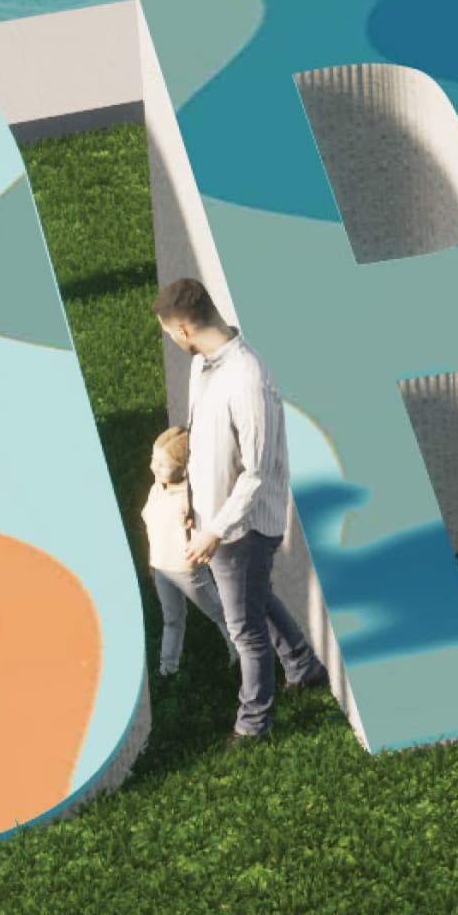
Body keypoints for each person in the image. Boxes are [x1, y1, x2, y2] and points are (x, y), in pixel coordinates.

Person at [150, 276, 330, 742]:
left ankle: (254, 725)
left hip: (243, 528)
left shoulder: (249, 381)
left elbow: (257, 472)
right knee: (255, 597)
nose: (172, 341)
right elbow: (201, 441)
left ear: (185, 329)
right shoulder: (203, 366)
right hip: (213, 519)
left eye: (170, 333)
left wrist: (216, 531)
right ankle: (304, 666)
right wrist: (191, 503)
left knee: (245, 629)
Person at [139, 426, 226, 679]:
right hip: (162, 569)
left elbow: (210, 526)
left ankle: (242, 654)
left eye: (163, 465)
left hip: (187, 570)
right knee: (172, 620)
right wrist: (152, 563)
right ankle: (168, 669)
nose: (154, 468)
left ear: (186, 468)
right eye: (154, 460)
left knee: (219, 613)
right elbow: (152, 527)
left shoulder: (191, 497)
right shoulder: (157, 489)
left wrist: (193, 522)